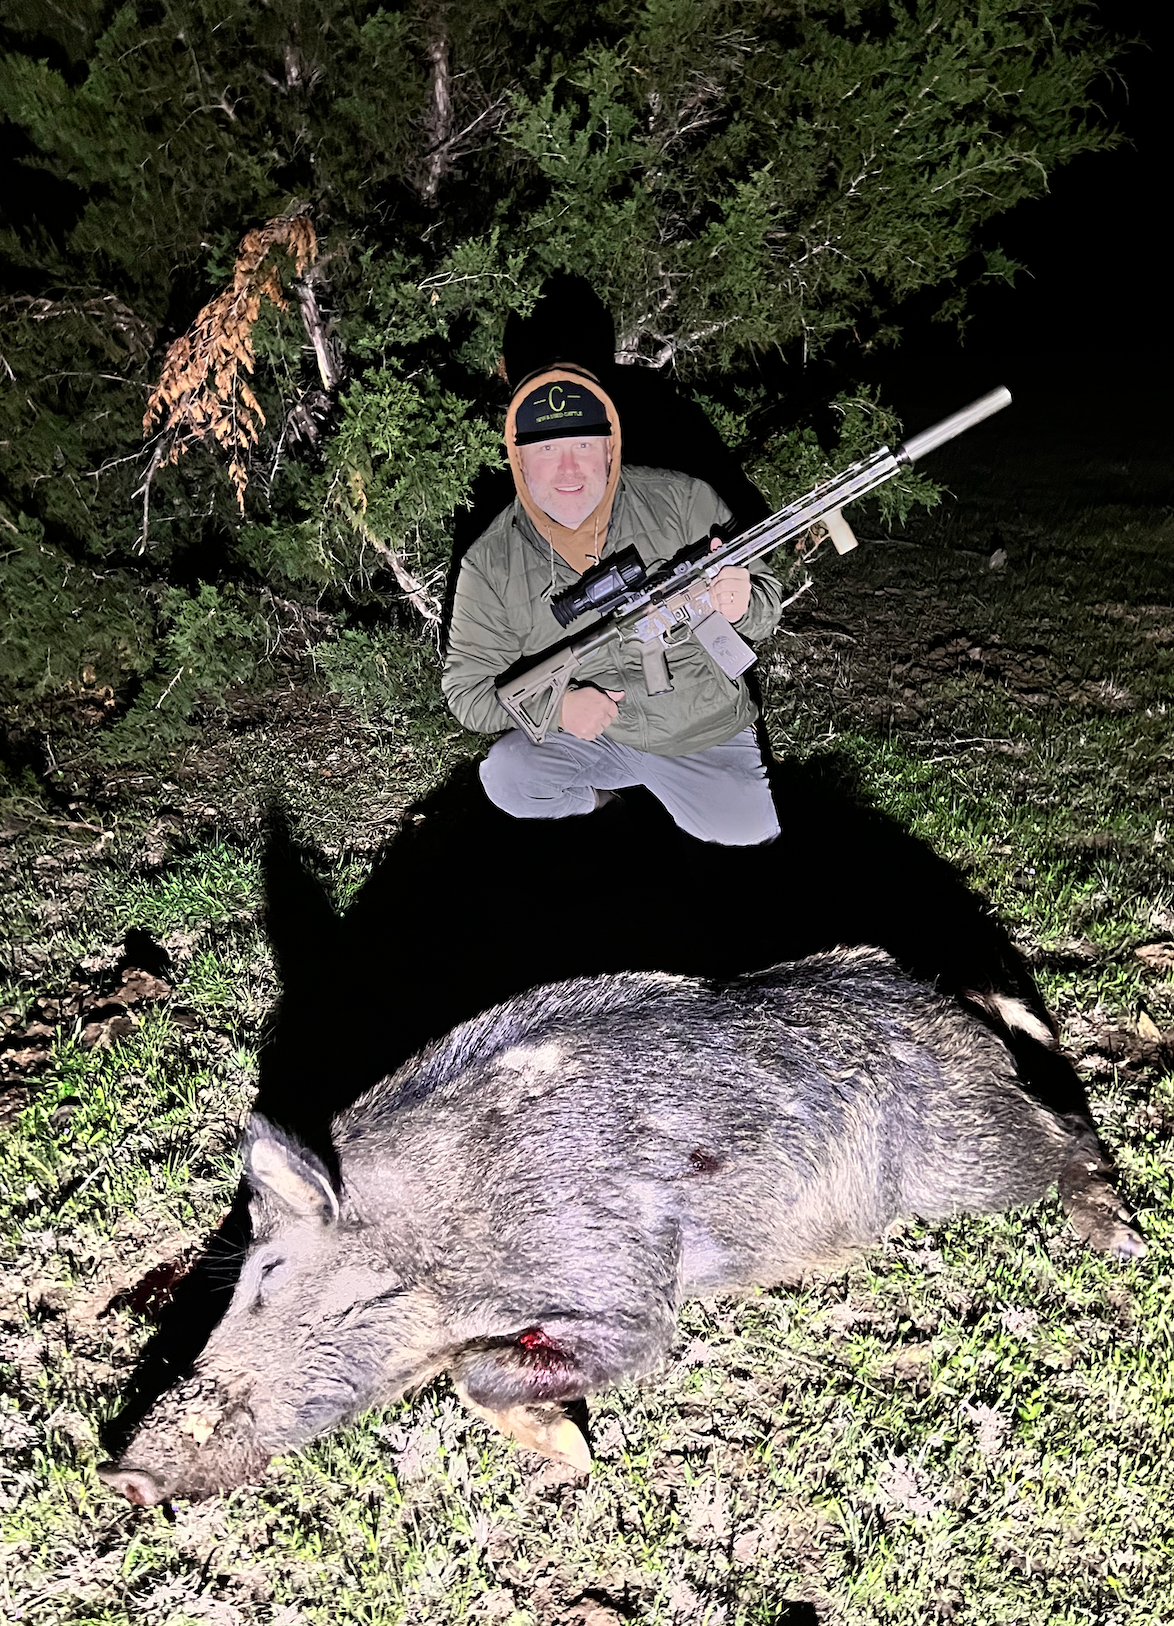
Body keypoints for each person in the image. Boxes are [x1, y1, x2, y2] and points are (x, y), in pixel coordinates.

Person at [442, 364, 785, 844]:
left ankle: (693, 796)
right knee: (508, 777)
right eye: (545, 449)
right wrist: (560, 709)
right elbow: (467, 694)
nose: (567, 470)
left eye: (582, 444)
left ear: (609, 447)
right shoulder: (490, 563)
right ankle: (604, 809)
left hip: (701, 729)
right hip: (597, 737)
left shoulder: (683, 501)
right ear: (519, 459)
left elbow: (767, 606)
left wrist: (740, 603)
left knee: (751, 834)